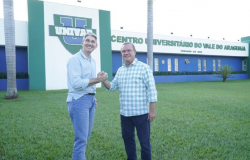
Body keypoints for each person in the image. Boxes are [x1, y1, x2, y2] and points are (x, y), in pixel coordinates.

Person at [100, 42, 157, 160]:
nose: (126, 53)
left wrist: (152, 110)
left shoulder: (144, 68)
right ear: (121, 53)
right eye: (123, 51)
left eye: (128, 50)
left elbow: (152, 89)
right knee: (128, 141)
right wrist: (104, 80)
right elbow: (112, 87)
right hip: (125, 115)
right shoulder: (120, 71)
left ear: (134, 52)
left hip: (141, 114)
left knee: (144, 143)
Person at [66, 32, 105, 160]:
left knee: (85, 135)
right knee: (81, 138)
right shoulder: (74, 59)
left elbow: (89, 83)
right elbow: (76, 84)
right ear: (82, 43)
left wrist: (92, 96)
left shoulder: (92, 61)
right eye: (87, 40)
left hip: (89, 100)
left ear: (96, 45)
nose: (90, 43)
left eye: (93, 41)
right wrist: (98, 79)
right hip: (78, 100)